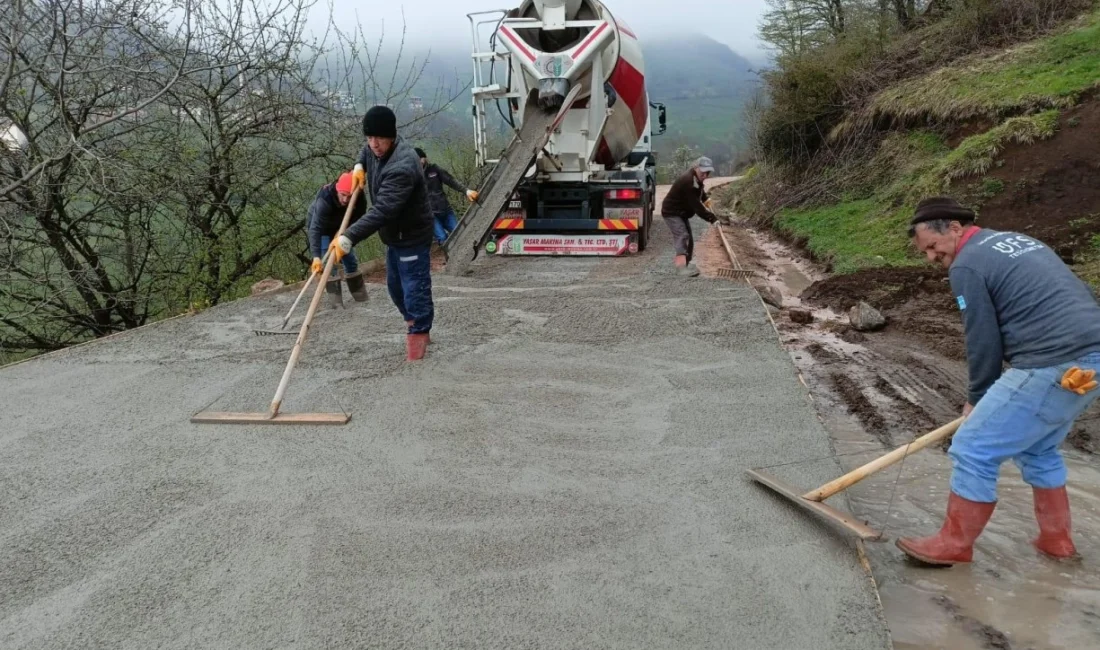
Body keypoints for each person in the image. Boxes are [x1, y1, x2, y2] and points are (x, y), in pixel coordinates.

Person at [898, 197, 1100, 566]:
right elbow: (1079, 290)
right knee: (1038, 449)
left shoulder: (967, 265)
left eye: (932, 246)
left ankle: (953, 544)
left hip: (1054, 362)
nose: (930, 257)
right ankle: (1056, 542)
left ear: (955, 228)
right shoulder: (1018, 241)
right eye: (924, 251)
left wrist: (977, 397)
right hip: (1092, 361)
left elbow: (982, 337)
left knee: (972, 446)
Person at [330, 106, 436, 361]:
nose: (373, 144)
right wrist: (358, 166)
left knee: (414, 287)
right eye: (369, 138)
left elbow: (383, 211)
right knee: (395, 288)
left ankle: (419, 332)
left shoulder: (404, 165)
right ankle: (413, 321)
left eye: (379, 138)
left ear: (392, 135)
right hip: (393, 236)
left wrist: (348, 237)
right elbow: (366, 152)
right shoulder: (374, 149)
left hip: (411, 234)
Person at [307, 172, 368, 308]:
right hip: (323, 229)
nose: (346, 199)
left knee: (350, 260)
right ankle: (336, 302)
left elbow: (360, 222)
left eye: (349, 196)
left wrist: (347, 237)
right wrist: (316, 257)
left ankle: (359, 295)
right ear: (337, 190)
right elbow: (315, 229)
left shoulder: (359, 198)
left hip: (342, 228)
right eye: (343, 195)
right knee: (329, 264)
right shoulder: (325, 200)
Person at [661, 156, 727, 277]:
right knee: (682, 235)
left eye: (708, 172)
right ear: (696, 168)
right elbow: (697, 207)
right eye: (703, 172)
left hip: (681, 212)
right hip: (671, 212)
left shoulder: (696, 179)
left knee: (689, 239)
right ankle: (681, 268)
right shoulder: (688, 181)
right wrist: (713, 219)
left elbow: (700, 192)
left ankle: (686, 264)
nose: (705, 175)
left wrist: (706, 200)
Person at [415, 147, 478, 245]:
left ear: (424, 158)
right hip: (430, 215)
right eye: (416, 159)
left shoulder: (435, 169)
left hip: (446, 210)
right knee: (443, 238)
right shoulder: (413, 175)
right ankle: (451, 259)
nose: (419, 161)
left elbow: (450, 180)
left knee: (459, 234)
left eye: (420, 158)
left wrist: (466, 191)